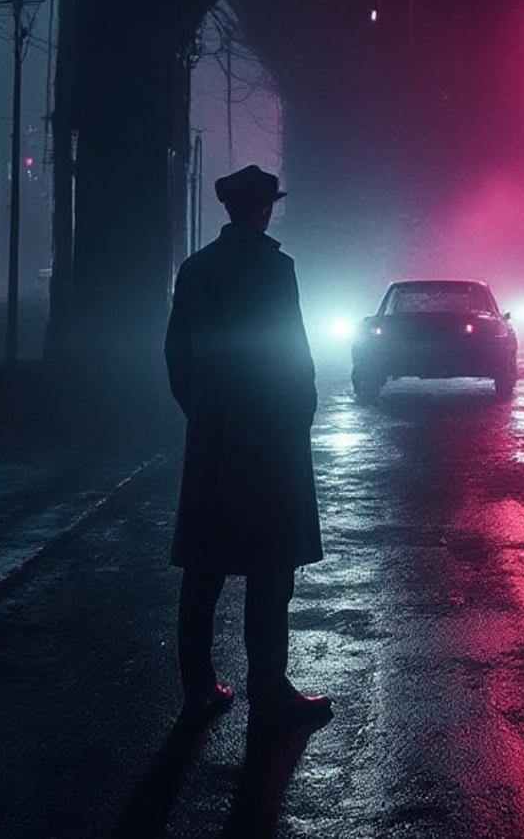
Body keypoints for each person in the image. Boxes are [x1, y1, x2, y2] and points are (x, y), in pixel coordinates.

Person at [165, 164, 330, 732]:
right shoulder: (274, 268)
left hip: (214, 428)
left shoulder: (194, 270)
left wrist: (204, 410)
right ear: (262, 209)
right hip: (269, 430)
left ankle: (198, 686)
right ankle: (268, 687)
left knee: (205, 564)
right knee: (270, 564)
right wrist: (297, 414)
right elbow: (292, 351)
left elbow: (177, 358)